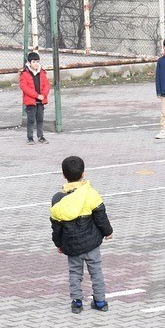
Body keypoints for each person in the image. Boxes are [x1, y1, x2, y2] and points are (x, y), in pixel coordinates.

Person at [50, 155, 113, 314]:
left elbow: (56, 227)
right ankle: (100, 302)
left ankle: (77, 302)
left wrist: (58, 244)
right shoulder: (90, 193)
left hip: (71, 245)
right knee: (96, 272)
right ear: (83, 174)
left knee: (75, 273)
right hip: (91, 243)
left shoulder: (58, 198)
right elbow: (101, 216)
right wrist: (108, 232)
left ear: (64, 175)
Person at [20, 51, 51, 145]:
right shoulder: (24, 74)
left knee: (40, 119)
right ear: (29, 63)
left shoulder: (42, 72)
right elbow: (24, 88)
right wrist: (37, 95)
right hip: (31, 102)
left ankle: (40, 136)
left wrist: (43, 95)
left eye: (37, 61)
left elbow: (47, 84)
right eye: (34, 62)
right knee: (31, 120)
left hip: (41, 101)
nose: (36, 64)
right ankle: (30, 137)